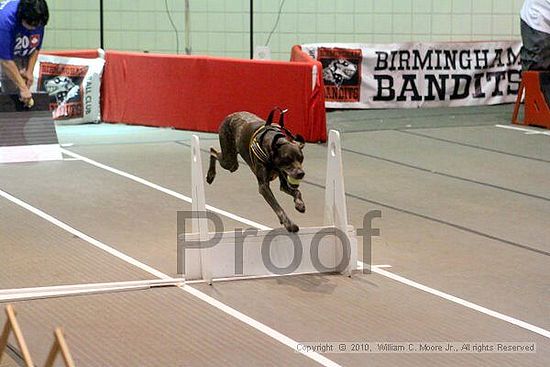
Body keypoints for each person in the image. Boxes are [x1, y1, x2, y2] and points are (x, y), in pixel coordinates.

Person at [0, 0, 49, 107]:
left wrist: (29, 72)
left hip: (17, 44)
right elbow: (5, 60)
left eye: (37, 26)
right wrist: (22, 87)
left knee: (25, 84)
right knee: (13, 87)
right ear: (22, 17)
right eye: (31, 25)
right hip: (4, 43)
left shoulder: (39, 17)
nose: (34, 28)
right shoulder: (5, 21)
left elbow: (35, 46)